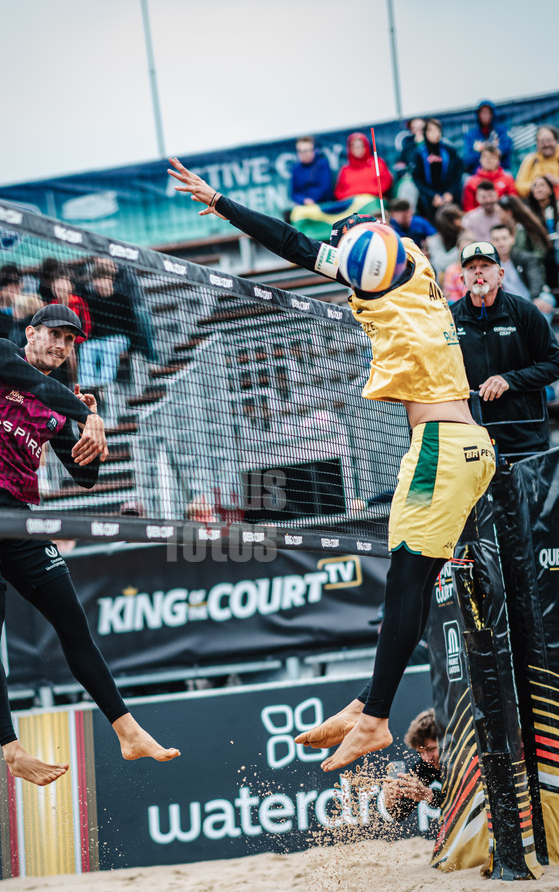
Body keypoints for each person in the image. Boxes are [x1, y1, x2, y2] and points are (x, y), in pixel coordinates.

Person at [169, 156, 496, 772]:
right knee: (411, 581)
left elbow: (294, 244)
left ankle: (374, 719)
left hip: (443, 448)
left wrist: (220, 203)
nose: (333, 250)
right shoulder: (415, 268)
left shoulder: (374, 270)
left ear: (356, 246)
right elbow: (319, 244)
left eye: (339, 241)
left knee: (405, 580)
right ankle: (366, 704)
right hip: (453, 445)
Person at [0, 303, 180, 786]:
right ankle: (11, 748)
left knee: (72, 620)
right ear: (31, 333)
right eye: (54, 335)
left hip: (19, 514)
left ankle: (127, 730)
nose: (62, 345)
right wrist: (90, 416)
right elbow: (38, 385)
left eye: (70, 341)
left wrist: (87, 431)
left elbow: (85, 477)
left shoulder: (55, 408)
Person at [450, 240, 559, 459]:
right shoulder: (449, 319)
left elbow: (554, 364)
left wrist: (509, 380)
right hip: (473, 435)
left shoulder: (525, 311)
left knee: (528, 494)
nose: (478, 271)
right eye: (471, 267)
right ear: (463, 279)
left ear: (500, 274)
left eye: (486, 266)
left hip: (524, 433)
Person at [382, 708, 443, 821]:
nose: (427, 758)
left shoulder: (465, 758)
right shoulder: (424, 766)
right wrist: (389, 800)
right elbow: (400, 814)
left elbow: (464, 799)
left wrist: (428, 794)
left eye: (431, 749)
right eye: (421, 753)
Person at [488, 223, 552, 314]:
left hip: (531, 299)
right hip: (508, 305)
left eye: (504, 238)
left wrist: (535, 299)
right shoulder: (489, 265)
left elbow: (536, 281)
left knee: (546, 300)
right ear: (491, 242)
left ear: (512, 239)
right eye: (496, 240)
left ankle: (538, 327)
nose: (501, 243)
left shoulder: (526, 258)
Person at [411, 118, 463, 220]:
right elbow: (417, 179)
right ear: (425, 133)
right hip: (430, 196)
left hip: (449, 192)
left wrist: (450, 192)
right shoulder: (419, 154)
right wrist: (433, 196)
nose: (436, 134)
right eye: (432, 131)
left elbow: (458, 172)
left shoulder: (449, 150)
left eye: (438, 130)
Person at [333, 132, 393, 202]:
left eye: (361, 146)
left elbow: (386, 183)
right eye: (355, 147)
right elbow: (339, 193)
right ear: (350, 149)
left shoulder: (377, 163)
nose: (358, 149)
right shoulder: (345, 170)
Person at [461, 143, 517, 212]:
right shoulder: (471, 182)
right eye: (485, 157)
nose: (489, 160)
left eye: (493, 157)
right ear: (480, 159)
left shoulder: (508, 179)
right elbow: (468, 209)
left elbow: (514, 204)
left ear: (498, 160)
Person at [462, 101, 512, 173]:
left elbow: (506, 149)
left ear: (492, 114)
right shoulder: (471, 135)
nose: (485, 115)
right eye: (482, 112)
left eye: (488, 112)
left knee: (509, 175)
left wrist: (483, 148)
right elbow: (467, 158)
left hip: (500, 172)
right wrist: (489, 149)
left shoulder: (502, 131)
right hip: (477, 173)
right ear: (478, 115)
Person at [515, 125, 559, 199]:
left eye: (549, 140)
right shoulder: (530, 160)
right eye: (542, 141)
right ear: (537, 143)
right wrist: (538, 185)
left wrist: (557, 181)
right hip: (536, 206)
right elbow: (519, 187)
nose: (547, 145)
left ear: (556, 140)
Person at [290, 136, 334, 207]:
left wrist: (312, 200)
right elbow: (294, 193)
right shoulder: (295, 169)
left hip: (323, 205)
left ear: (313, 150)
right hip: (305, 206)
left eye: (306, 150)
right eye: (300, 151)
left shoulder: (323, 164)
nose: (303, 154)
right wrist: (304, 200)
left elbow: (325, 188)